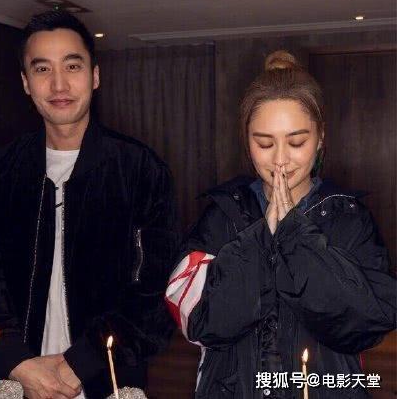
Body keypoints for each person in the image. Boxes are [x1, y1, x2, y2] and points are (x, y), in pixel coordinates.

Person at [0, 10, 177, 399]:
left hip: (108, 380)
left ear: (95, 76)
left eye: (72, 66)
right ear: (26, 83)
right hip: (13, 381)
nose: (58, 84)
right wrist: (19, 363)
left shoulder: (139, 170)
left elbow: (153, 291)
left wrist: (81, 363)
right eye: (42, 69)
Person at [165, 50, 396, 399]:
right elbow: (200, 322)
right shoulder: (221, 215)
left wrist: (297, 238)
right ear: (247, 141)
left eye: (297, 141)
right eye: (264, 143)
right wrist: (259, 240)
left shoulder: (348, 217)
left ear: (321, 137)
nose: (280, 159)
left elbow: (367, 324)